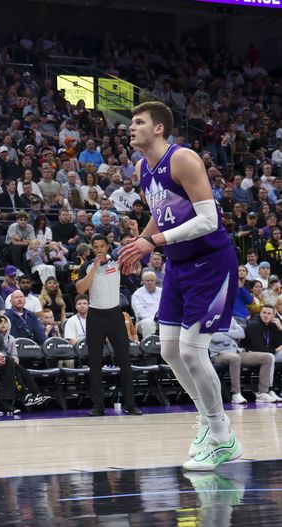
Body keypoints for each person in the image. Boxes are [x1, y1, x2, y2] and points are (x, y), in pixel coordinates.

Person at [119, 101, 242, 470]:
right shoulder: (141, 168)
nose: (131, 127)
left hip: (211, 263)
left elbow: (208, 220)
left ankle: (222, 436)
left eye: (139, 122)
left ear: (159, 128)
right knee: (170, 350)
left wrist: (153, 243)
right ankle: (208, 420)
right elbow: (162, 216)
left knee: (191, 351)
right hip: (178, 264)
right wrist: (141, 242)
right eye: (131, 122)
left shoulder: (183, 159)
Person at [77, 234, 141, 417]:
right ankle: (98, 406)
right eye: (95, 246)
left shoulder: (117, 263)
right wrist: (94, 268)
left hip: (115, 315)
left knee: (124, 361)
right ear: (92, 248)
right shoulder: (86, 266)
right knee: (95, 362)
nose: (99, 249)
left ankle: (130, 404)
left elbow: (135, 261)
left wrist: (136, 233)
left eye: (102, 246)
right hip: (95, 316)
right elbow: (80, 289)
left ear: (107, 247)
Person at [209, 316, 280, 404]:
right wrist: (232, 334)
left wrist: (223, 332)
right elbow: (214, 337)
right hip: (219, 354)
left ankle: (262, 393)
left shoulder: (230, 318)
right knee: (235, 358)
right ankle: (236, 394)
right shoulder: (209, 318)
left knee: (268, 357)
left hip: (238, 352)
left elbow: (241, 333)